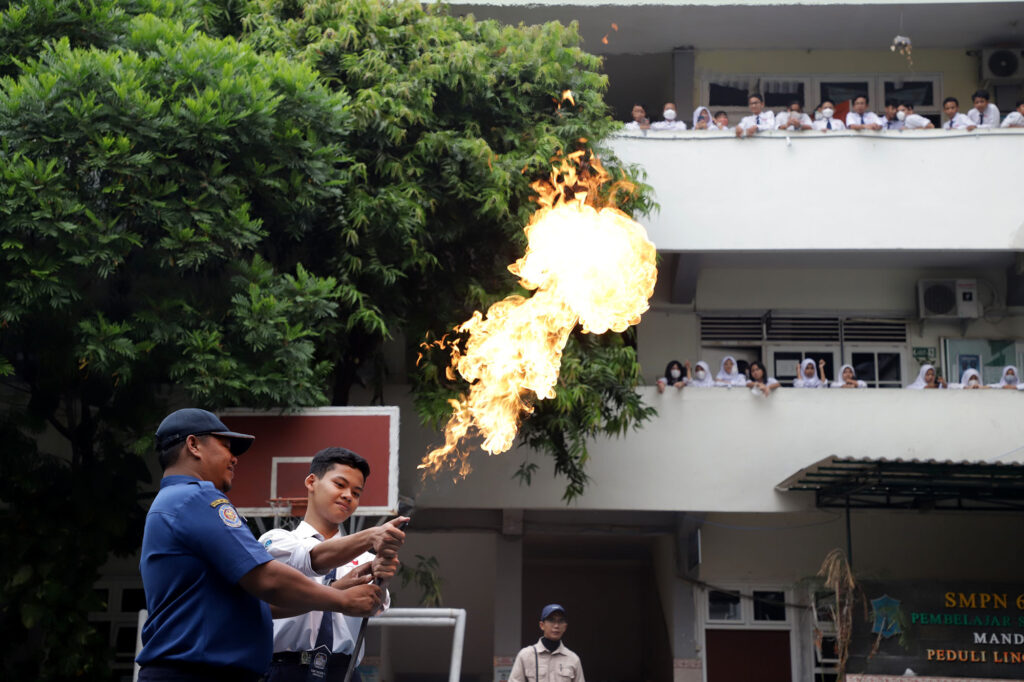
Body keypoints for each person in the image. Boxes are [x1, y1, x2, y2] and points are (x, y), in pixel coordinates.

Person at [137, 409, 383, 682]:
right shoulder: (196, 498)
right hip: (195, 672)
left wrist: (336, 590)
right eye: (226, 446)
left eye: (356, 492)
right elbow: (268, 579)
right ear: (193, 445)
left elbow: (262, 603)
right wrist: (340, 599)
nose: (234, 458)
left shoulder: (174, 502)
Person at [259, 448, 407, 682]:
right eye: (340, 484)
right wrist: (371, 535)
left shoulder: (367, 560)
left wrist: (384, 575)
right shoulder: (277, 540)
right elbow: (313, 558)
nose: (348, 495)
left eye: (356, 492)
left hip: (344, 672)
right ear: (311, 482)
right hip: (287, 670)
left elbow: (373, 607)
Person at [508, 604, 584, 682]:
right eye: (551, 620)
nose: (556, 625)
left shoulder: (573, 659)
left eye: (560, 621)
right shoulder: (526, 655)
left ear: (565, 627)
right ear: (542, 625)